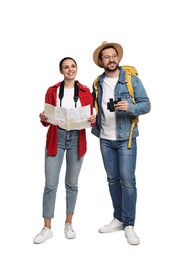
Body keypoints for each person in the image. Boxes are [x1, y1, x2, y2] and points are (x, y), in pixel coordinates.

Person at [91, 41, 151, 245]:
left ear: (118, 58)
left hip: (126, 139)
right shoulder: (97, 83)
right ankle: (118, 218)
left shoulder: (131, 79)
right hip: (105, 139)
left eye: (113, 55)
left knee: (128, 181)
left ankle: (129, 224)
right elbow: (93, 107)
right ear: (101, 61)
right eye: (106, 57)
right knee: (112, 179)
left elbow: (147, 104)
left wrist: (131, 107)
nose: (111, 59)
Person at [33, 57, 96, 244]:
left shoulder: (85, 91)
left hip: (77, 138)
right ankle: (47, 227)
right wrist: (43, 118)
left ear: (77, 69)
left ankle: (68, 222)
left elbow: (90, 118)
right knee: (50, 184)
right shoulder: (52, 91)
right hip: (56, 138)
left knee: (72, 183)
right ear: (61, 71)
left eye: (73, 66)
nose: (70, 70)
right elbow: (47, 121)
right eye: (66, 67)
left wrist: (92, 120)